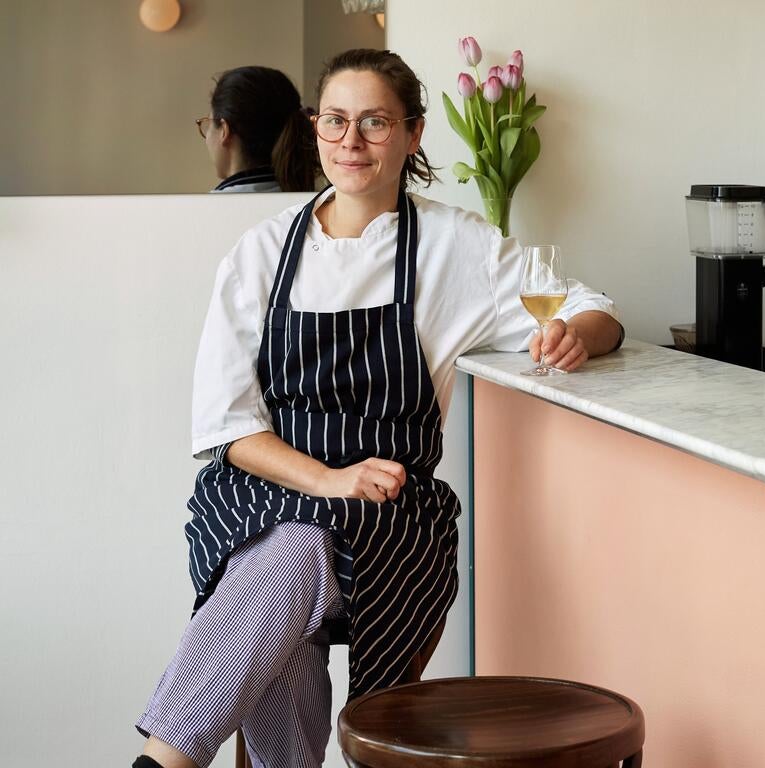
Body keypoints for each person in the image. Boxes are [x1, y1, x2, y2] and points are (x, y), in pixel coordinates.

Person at [134, 49, 623, 768]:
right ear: (314, 128)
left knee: (286, 570)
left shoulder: (459, 249)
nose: (350, 142)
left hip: (392, 508)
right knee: (293, 544)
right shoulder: (262, 253)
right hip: (261, 491)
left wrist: (571, 336)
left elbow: (593, 310)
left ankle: (162, 759)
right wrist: (329, 479)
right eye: (334, 121)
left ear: (414, 133)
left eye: (374, 122)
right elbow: (228, 426)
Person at [195, 65, 318, 193]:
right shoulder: (316, 204)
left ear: (224, 131)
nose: (207, 139)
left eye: (208, 124)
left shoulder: (198, 210)